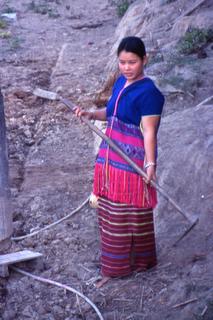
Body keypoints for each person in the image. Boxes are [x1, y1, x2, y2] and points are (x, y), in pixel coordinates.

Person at [75, 36, 165, 288]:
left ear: (144, 60)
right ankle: (118, 262)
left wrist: (150, 166)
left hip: (130, 161)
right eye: (123, 62)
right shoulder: (120, 83)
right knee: (109, 212)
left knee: (128, 213)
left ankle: (128, 266)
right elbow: (111, 112)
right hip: (109, 157)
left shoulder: (150, 93)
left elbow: (149, 132)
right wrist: (91, 114)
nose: (127, 67)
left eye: (132, 62)